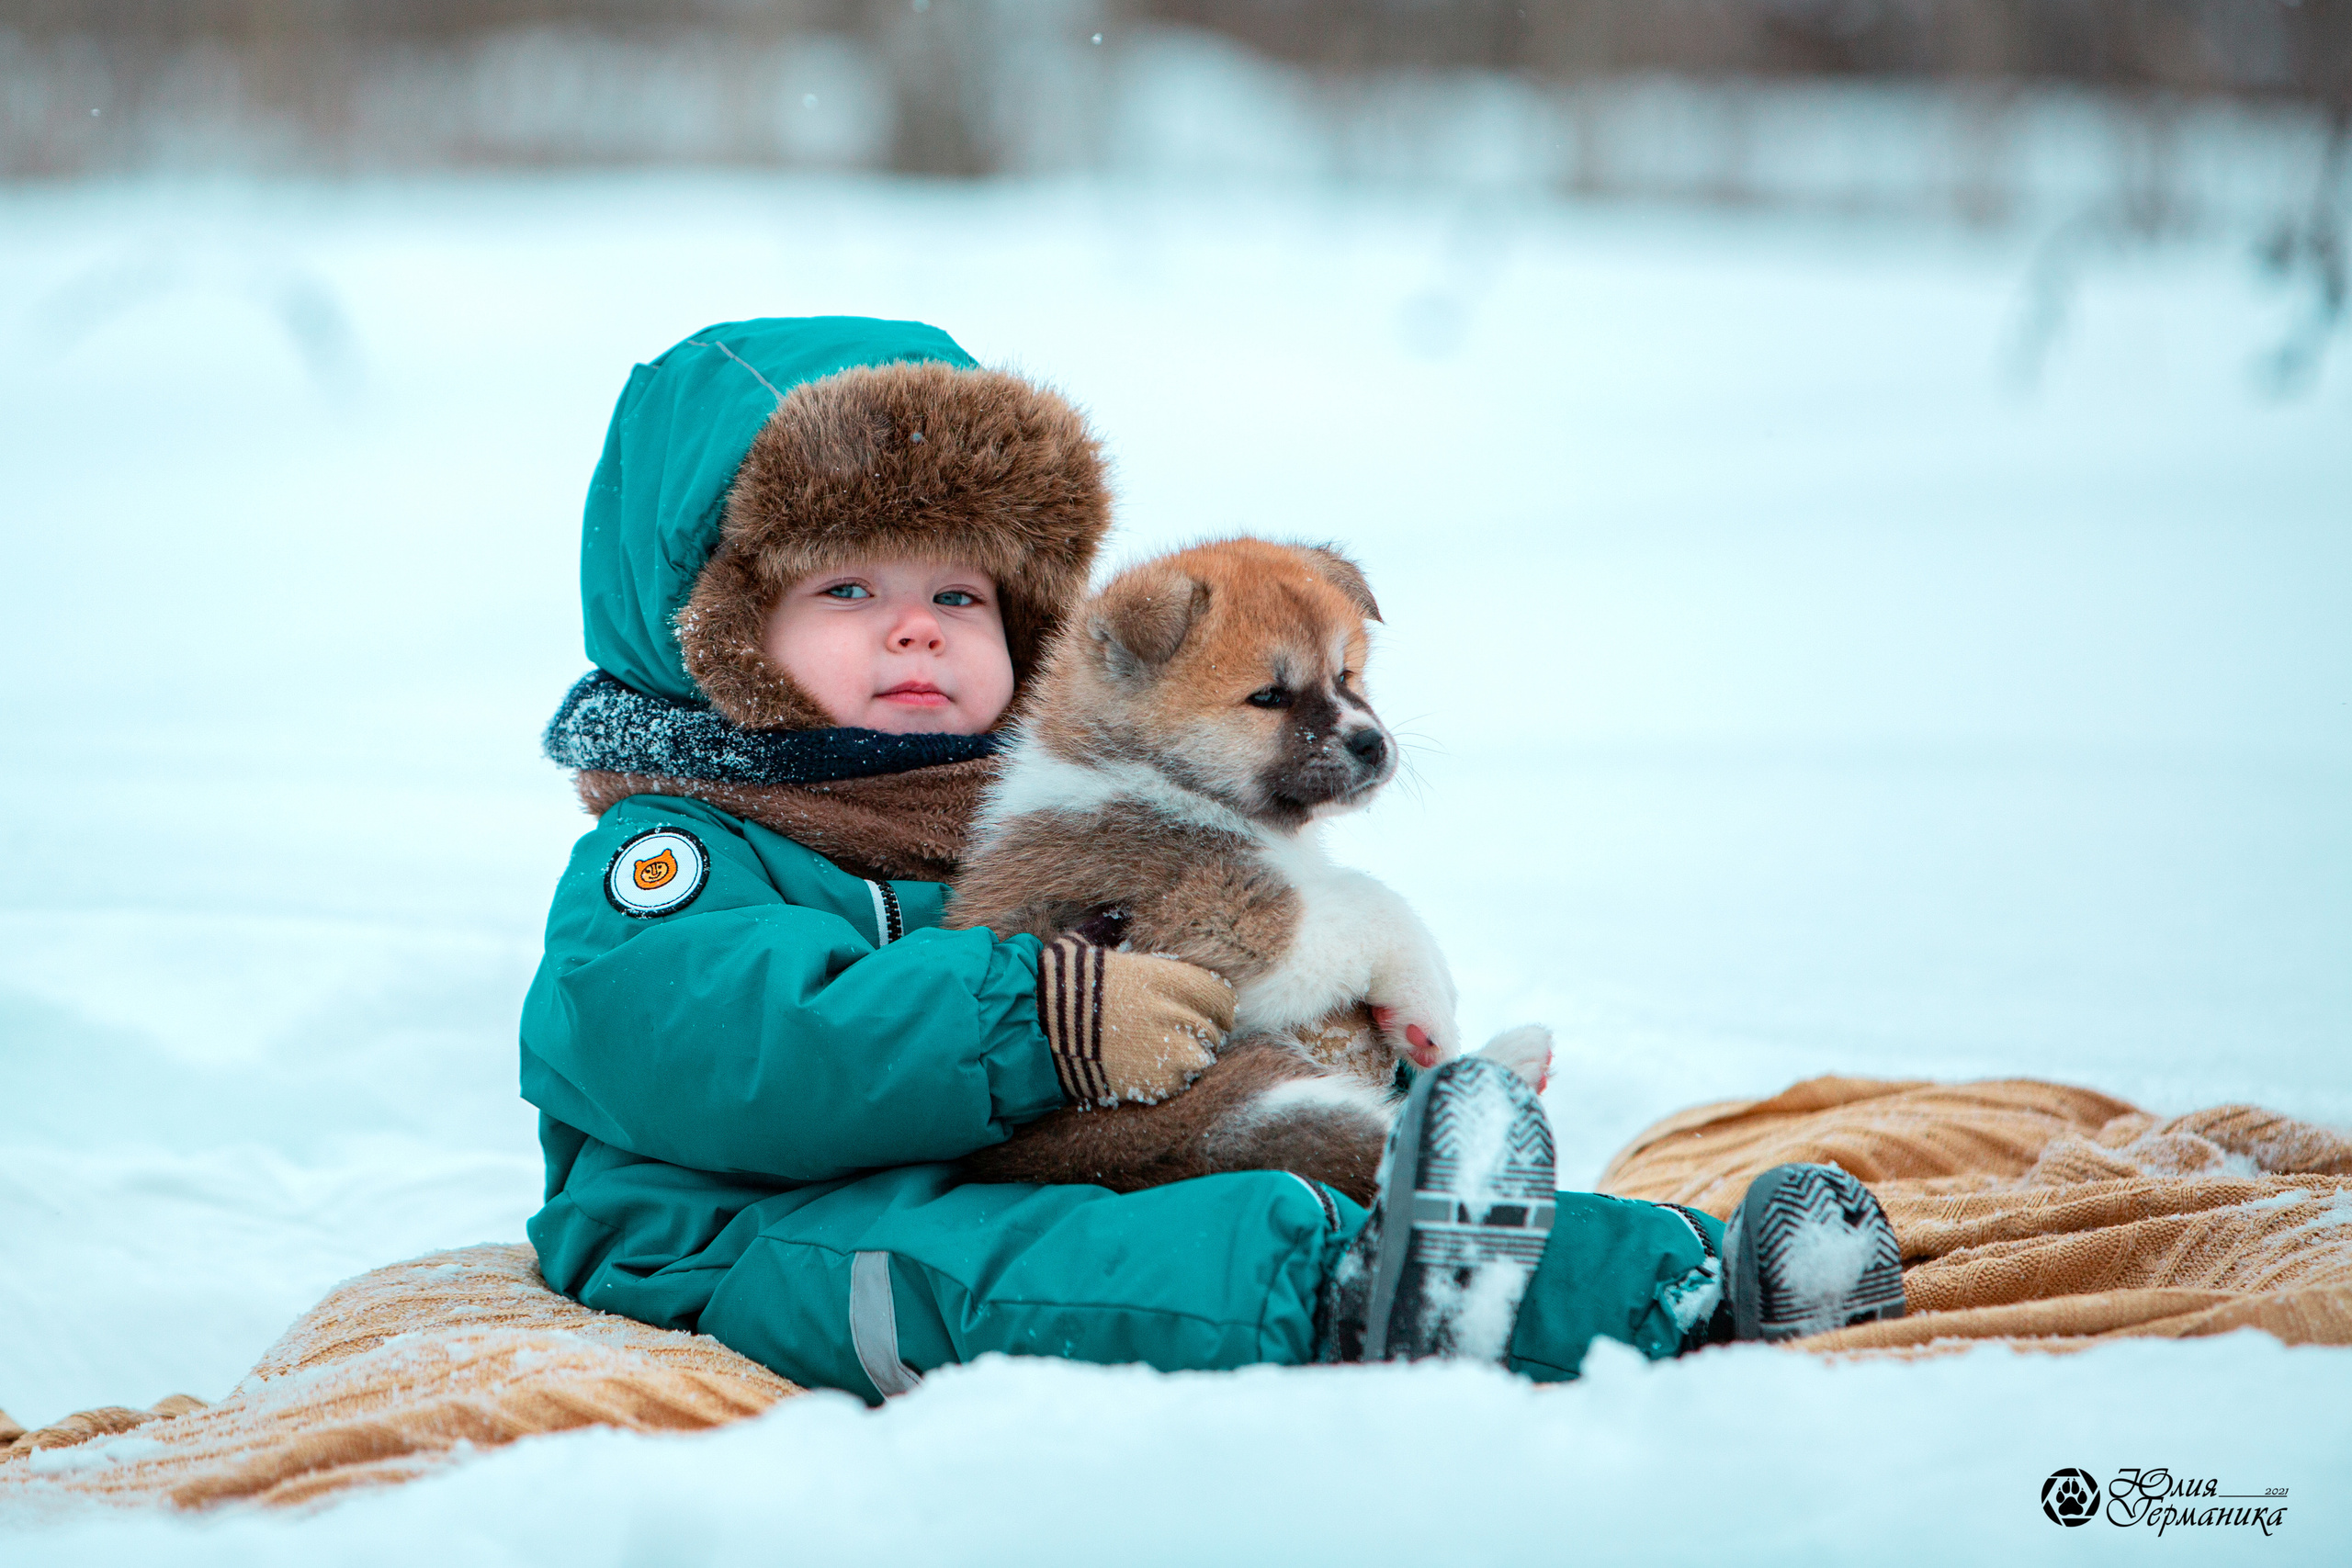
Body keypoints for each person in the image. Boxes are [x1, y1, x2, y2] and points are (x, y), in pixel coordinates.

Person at [523, 315, 1904, 1403]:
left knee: (1263, 1169)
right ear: (712, 632)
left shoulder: (1012, 807)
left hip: (1019, 1155)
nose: (917, 631)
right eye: (847, 590)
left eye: (958, 592)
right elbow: (741, 1055)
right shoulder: (676, 854)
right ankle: (1348, 1303)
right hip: (747, 1232)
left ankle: (1686, 1281)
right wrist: (1039, 1018)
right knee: (1044, 1262)